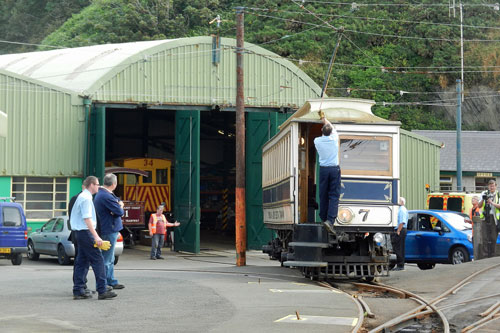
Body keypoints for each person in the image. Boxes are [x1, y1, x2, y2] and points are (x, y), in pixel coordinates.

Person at [70, 176, 117, 300]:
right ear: (91, 185)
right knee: (98, 260)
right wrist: (96, 237)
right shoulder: (86, 199)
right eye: (97, 184)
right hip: (86, 232)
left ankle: (78, 289)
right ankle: (102, 290)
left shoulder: (82, 196)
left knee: (82, 261)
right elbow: (87, 219)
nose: (99, 187)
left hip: (80, 233)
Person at [94, 173, 125, 290]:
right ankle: (105, 283)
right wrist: (120, 206)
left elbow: (116, 201)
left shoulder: (105, 194)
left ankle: (111, 280)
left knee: (110, 258)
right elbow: (119, 212)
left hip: (108, 229)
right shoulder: (105, 196)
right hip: (108, 229)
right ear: (114, 184)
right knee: (107, 259)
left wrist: (118, 204)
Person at [313, 111, 341, 234]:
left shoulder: (317, 141)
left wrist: (322, 118)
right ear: (331, 131)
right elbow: (331, 126)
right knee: (334, 195)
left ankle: (323, 218)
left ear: (321, 130)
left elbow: (328, 127)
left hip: (323, 169)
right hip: (334, 169)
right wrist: (324, 118)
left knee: (323, 194)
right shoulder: (335, 138)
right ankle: (330, 221)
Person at [391, 197, 408, 271]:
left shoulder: (402, 210)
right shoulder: (401, 209)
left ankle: (400, 265)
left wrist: (398, 230)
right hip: (400, 229)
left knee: (399, 248)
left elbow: (402, 222)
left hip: (400, 230)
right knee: (397, 248)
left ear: (401, 202)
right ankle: (399, 265)